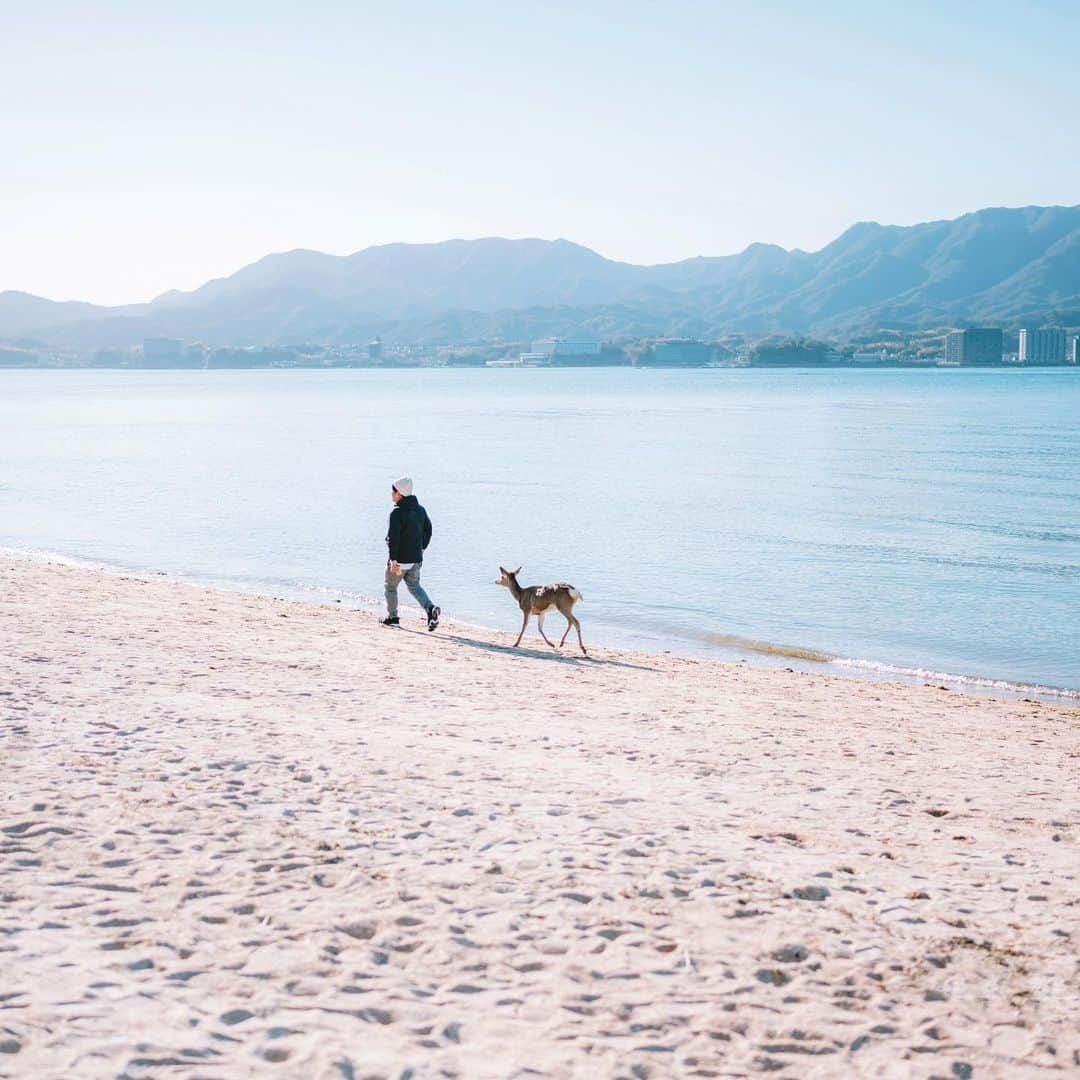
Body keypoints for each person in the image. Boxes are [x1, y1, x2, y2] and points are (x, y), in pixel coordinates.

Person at [382, 476, 440, 631]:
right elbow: (429, 529)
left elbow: (393, 538)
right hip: (415, 560)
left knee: (390, 587)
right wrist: (422, 547)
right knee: (414, 586)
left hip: (400, 561)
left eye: (393, 491)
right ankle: (430, 609)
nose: (391, 494)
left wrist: (393, 559)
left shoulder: (396, 513)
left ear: (400, 493)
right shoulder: (420, 510)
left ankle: (393, 618)